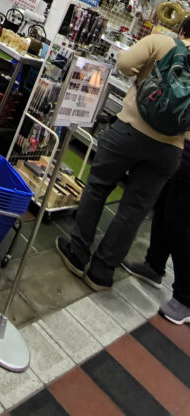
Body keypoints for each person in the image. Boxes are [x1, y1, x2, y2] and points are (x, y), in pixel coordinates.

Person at [56, 17, 190, 291]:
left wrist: (145, 79)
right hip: (170, 150)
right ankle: (102, 273)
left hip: (130, 130)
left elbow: (124, 64)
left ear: (182, 30)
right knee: (134, 209)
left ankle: (78, 254)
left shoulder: (162, 42)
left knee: (98, 187)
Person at [123, 139, 190, 324]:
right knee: (163, 211)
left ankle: (186, 298)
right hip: (180, 156)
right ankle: (154, 265)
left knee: (180, 227)